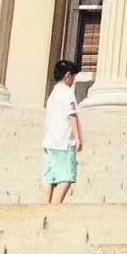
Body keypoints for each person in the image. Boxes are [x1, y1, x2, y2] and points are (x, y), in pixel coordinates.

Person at [42, 60, 82, 204]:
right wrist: (78, 138)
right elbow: (72, 115)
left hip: (50, 141)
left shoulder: (53, 94)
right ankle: (55, 207)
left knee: (50, 177)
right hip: (64, 142)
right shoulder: (67, 93)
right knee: (66, 177)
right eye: (73, 77)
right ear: (68, 75)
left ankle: (45, 206)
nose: (73, 80)